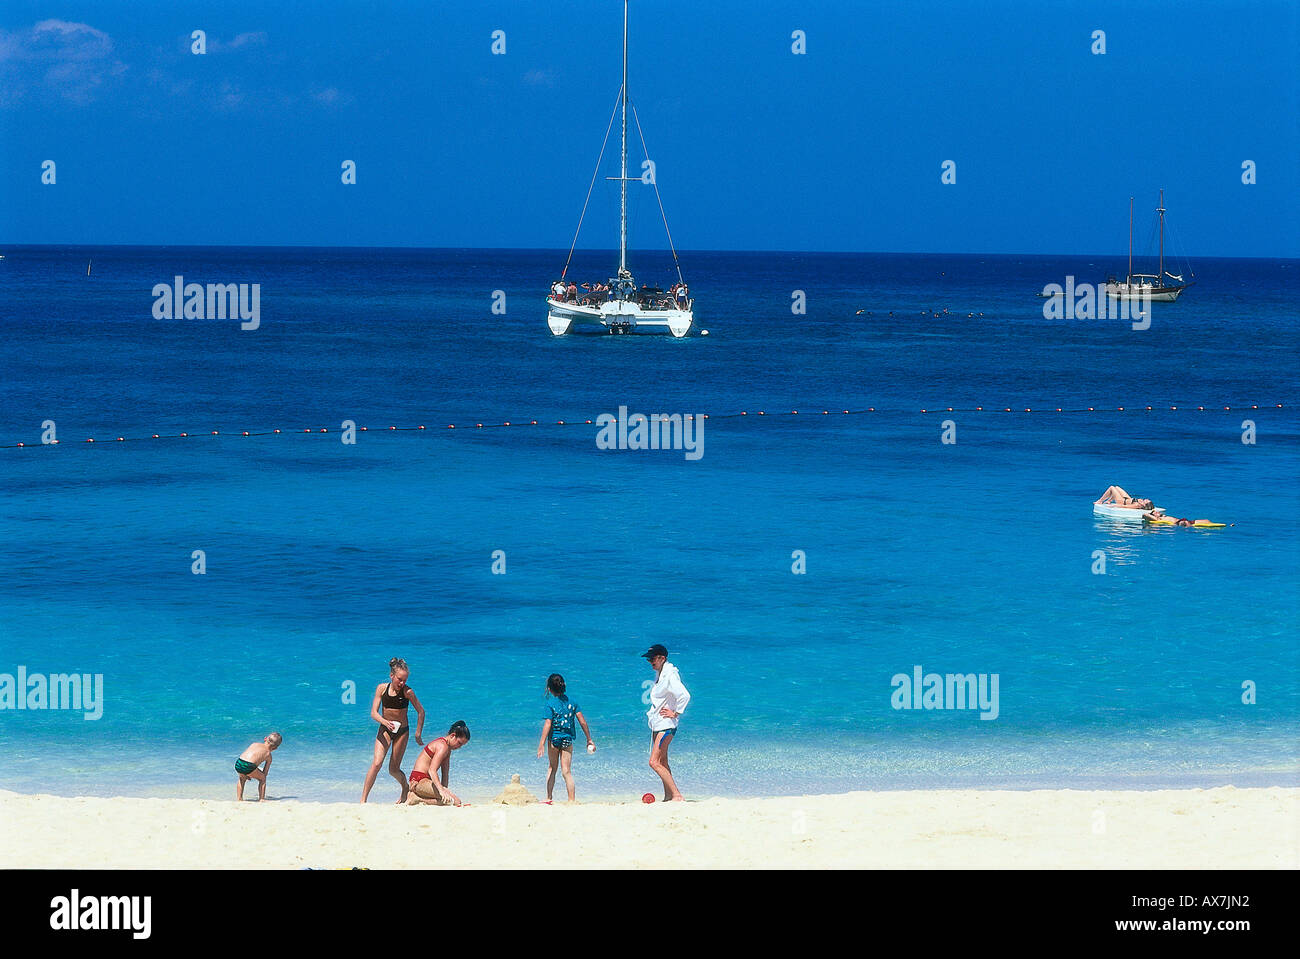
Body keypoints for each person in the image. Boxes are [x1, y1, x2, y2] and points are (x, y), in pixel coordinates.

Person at [361, 657, 426, 804]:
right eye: (399, 679)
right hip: (385, 728)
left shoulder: (408, 692)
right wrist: (384, 722)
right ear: (392, 676)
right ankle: (363, 800)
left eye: (404, 680)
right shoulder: (381, 689)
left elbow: (421, 712)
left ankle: (405, 788)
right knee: (377, 763)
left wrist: (418, 733)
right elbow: (373, 713)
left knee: (393, 769)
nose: (402, 683)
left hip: (402, 732)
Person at [641, 644, 690, 801]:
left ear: (662, 658)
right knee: (663, 761)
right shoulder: (661, 674)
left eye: (653, 658)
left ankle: (677, 795)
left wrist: (676, 713)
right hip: (659, 724)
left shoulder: (670, 675)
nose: (650, 661)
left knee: (654, 762)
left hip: (666, 726)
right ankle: (669, 796)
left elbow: (684, 695)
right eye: (649, 659)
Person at [536, 673, 594, 802]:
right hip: (567, 740)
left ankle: (549, 797)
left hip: (554, 740)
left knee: (552, 768)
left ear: (549, 689)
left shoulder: (550, 704)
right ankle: (571, 800)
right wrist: (589, 739)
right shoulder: (573, 702)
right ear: (564, 686)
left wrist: (541, 743)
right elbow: (582, 721)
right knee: (566, 771)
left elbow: (548, 723)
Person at [407, 721, 471, 806]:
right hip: (418, 781)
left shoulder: (448, 749)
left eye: (461, 745)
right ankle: (416, 799)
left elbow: (445, 774)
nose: (459, 747)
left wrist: (445, 791)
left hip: (425, 782)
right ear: (452, 736)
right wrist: (441, 791)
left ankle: (416, 797)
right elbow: (432, 770)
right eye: (459, 743)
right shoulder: (442, 746)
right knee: (454, 801)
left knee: (452, 800)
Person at [235, 732, 282, 801]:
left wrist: (248, 773)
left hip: (239, 763)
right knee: (262, 779)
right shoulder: (268, 755)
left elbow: (249, 759)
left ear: (265, 738)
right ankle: (261, 799)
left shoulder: (254, 744)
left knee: (242, 779)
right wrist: (253, 774)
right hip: (249, 766)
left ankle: (239, 799)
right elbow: (265, 773)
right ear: (275, 748)